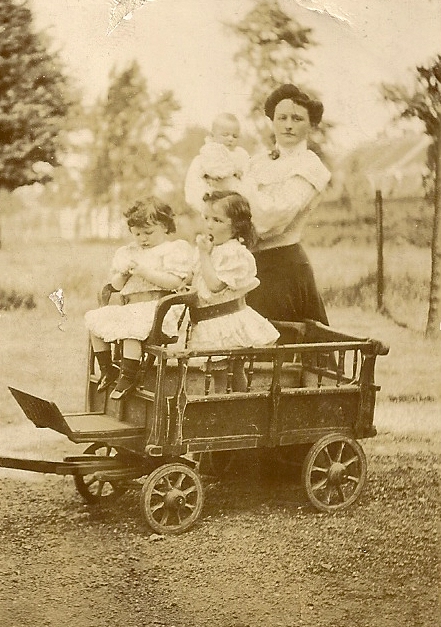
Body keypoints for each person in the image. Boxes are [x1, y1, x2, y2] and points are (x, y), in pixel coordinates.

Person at [237, 84, 331, 324]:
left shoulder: (312, 167)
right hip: (248, 264)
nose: (288, 125)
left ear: (310, 124)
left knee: (285, 349)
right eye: (282, 118)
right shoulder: (257, 161)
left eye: (297, 118)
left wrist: (244, 190)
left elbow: (271, 219)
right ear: (273, 121)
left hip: (283, 268)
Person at [85, 199, 193, 400]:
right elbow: (116, 287)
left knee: (130, 328)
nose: (142, 239)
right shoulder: (128, 252)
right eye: (137, 234)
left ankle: (128, 376)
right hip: (132, 307)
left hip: (159, 309)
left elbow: (173, 283)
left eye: (148, 233)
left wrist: (145, 272)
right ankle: (108, 369)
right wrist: (124, 274)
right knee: (94, 321)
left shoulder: (173, 250)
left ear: (164, 226)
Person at [188, 192, 280, 389]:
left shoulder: (235, 253)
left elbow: (215, 286)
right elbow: (196, 280)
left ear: (236, 226)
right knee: (220, 374)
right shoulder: (210, 248)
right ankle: (231, 411)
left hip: (227, 320)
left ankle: (232, 411)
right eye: (206, 218)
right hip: (209, 319)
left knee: (229, 373)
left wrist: (204, 254)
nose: (209, 225)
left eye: (217, 220)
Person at [184, 113, 250, 213]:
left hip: (236, 201)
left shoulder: (240, 154)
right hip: (213, 198)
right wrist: (231, 171)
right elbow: (214, 170)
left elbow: (247, 172)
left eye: (235, 136)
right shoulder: (209, 153)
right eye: (225, 135)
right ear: (212, 135)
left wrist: (242, 173)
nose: (230, 139)